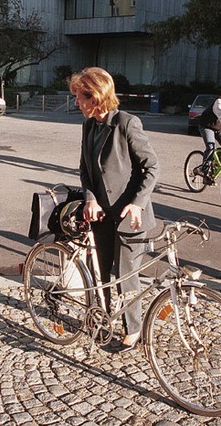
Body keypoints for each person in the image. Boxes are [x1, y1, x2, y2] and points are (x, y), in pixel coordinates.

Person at [69, 67, 160, 351]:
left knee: (126, 274)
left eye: (80, 98)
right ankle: (106, 318)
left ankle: (133, 329)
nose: (76, 103)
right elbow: (85, 168)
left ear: (95, 97)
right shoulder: (89, 126)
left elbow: (151, 167)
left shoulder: (126, 123)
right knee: (103, 273)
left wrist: (137, 203)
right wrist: (91, 198)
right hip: (101, 214)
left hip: (128, 215)